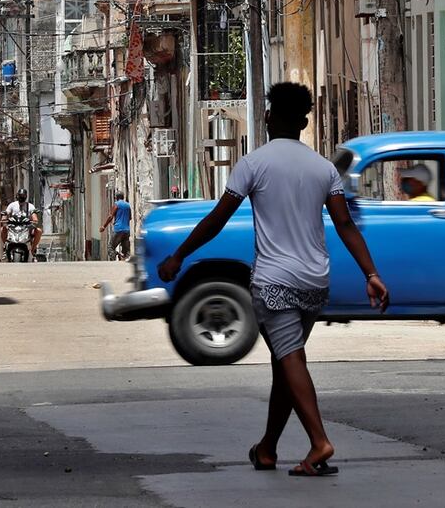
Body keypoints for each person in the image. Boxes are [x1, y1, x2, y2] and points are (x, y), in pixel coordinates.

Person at [157, 82, 389, 477]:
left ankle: (319, 443)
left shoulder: (253, 164)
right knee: (287, 362)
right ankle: (268, 448)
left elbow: (218, 219)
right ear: (303, 121)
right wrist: (372, 273)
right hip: (315, 282)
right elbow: (345, 224)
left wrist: (179, 255)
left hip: (274, 282)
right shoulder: (323, 168)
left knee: (290, 359)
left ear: (267, 117)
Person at [2, 188, 42, 256]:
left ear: (26, 196)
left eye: (23, 195)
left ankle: (32, 250)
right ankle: (6, 247)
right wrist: (4, 217)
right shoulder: (12, 205)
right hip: (13, 227)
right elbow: (6, 213)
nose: (21, 197)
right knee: (2, 229)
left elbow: (34, 217)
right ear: (17, 196)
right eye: (20, 195)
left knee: (39, 231)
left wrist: (34, 220)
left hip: (26, 227)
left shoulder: (30, 206)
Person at [100, 193, 132, 259]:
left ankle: (116, 255)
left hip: (118, 229)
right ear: (123, 197)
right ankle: (125, 262)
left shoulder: (116, 204)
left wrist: (104, 226)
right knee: (126, 250)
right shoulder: (128, 205)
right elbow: (130, 217)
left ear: (116, 198)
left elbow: (110, 216)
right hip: (127, 230)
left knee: (110, 247)